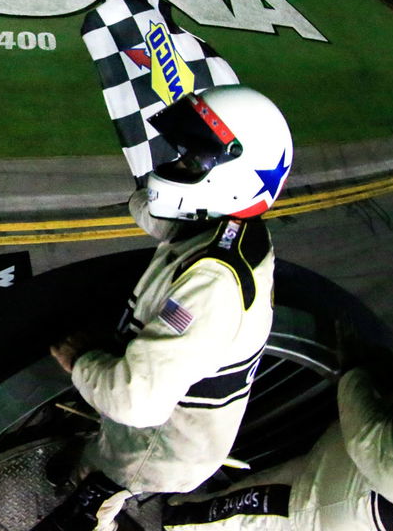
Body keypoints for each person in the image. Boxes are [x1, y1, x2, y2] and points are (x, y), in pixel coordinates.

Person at [41, 85, 294, 530]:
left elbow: (138, 402)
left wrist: (81, 361)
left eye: (192, 160)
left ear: (231, 176)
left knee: (99, 490)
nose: (176, 166)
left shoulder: (212, 283)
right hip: (172, 425)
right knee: (102, 452)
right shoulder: (230, 227)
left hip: (159, 445)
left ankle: (99, 506)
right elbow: (166, 213)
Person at [162, 358, 393, 530]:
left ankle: (159, 522)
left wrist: (355, 374)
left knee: (220, 518)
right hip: (341, 483)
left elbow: (366, 437)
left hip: (322, 503)